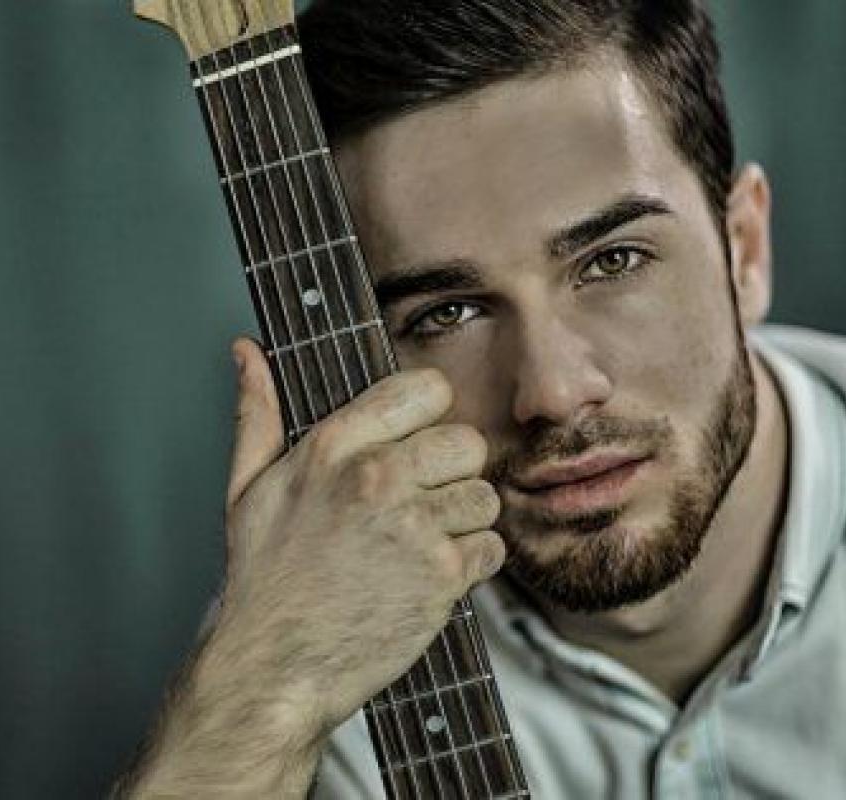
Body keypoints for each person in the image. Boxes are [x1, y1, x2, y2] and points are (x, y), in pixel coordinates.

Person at [116, 0, 846, 796]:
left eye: (613, 262)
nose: (552, 393)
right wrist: (265, 682)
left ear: (745, 252)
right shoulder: (312, 639)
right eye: (447, 314)